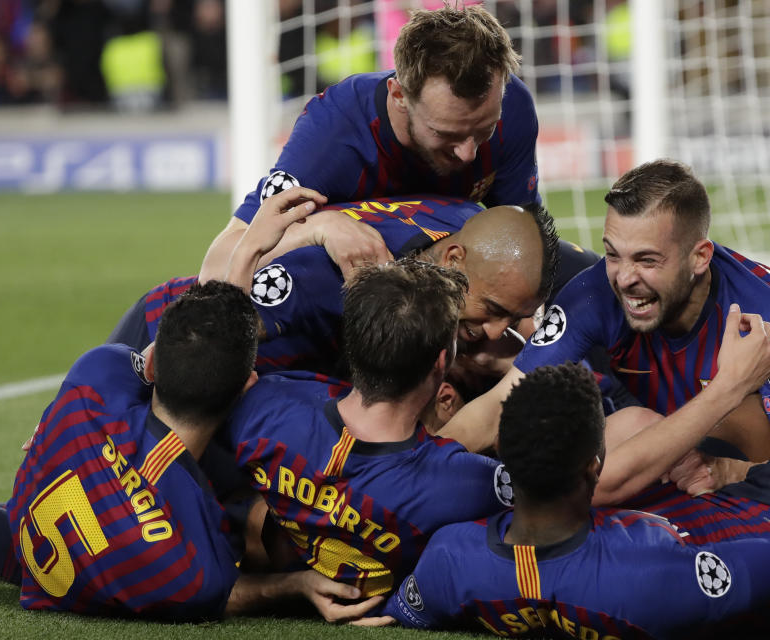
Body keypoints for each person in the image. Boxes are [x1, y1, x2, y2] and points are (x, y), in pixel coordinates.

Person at [0, 195, 381, 622]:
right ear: (249, 386)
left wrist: (246, 252)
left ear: (151, 362)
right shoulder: (196, 560)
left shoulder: (93, 382)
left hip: (31, 541)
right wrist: (295, 583)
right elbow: (227, 592)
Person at [382, 361, 770, 638]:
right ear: (596, 463)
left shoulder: (450, 559)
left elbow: (403, 610)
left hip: (693, 519)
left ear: (504, 455)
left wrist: (301, 583)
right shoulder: (647, 571)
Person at [441, 159, 770, 494]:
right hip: (663, 456)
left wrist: (730, 470)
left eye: (646, 260)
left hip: (739, 477)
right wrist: (411, 469)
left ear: (699, 258)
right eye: (612, 254)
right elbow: (498, 407)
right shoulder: (591, 296)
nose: (624, 279)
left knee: (743, 413)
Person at [224, 260, 518, 601]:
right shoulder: (466, 484)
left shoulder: (266, 405)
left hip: (289, 565)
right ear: (441, 363)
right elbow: (561, 497)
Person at [199, 4, 540, 283]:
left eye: (484, 130)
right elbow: (219, 263)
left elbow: (528, 243)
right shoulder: (333, 131)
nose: (469, 153)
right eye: (445, 133)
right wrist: (319, 227)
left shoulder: (513, 107)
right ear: (399, 95)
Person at [113, 192, 561, 378]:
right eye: (495, 309)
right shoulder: (332, 278)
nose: (502, 331)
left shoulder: (464, 225)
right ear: (454, 261)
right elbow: (193, 348)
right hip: (173, 331)